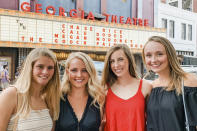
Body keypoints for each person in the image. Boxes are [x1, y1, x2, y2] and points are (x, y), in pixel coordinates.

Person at [142, 36, 197, 131]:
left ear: (170, 55)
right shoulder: (151, 86)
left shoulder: (188, 81)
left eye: (159, 54)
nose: (154, 60)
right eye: (148, 55)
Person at [0, 48, 61, 130]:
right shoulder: (11, 94)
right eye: (40, 66)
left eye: (50, 68)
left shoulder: (49, 98)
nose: (45, 72)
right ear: (30, 68)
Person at [101, 44, 152, 131]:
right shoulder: (104, 88)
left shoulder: (146, 87)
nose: (116, 65)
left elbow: (153, 120)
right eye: (112, 61)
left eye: (120, 59)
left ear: (129, 60)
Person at [55, 52, 105, 131]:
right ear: (68, 72)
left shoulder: (99, 98)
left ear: (90, 72)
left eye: (84, 70)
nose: (79, 75)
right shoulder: (57, 98)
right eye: (74, 70)